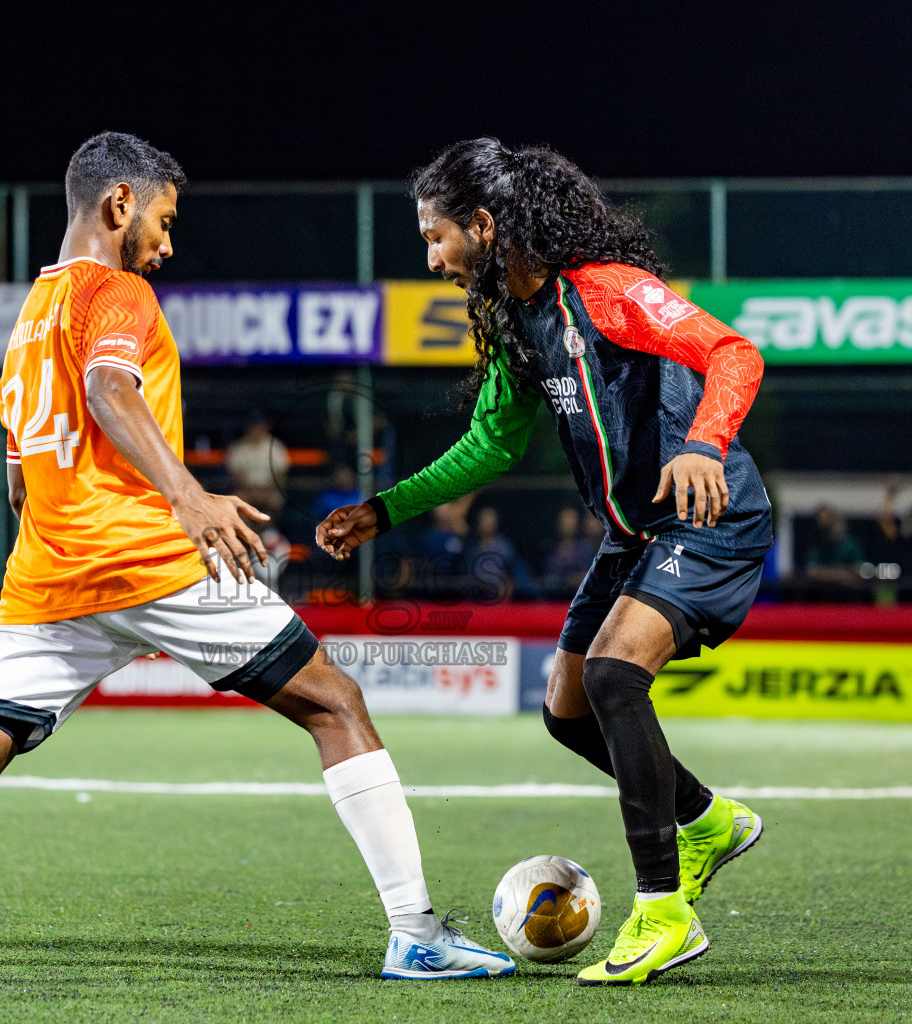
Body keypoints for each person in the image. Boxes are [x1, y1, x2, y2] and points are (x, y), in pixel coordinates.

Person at [0, 132, 514, 986]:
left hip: (48, 581)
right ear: (120, 205)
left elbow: (18, 486)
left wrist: (68, 544)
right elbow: (112, 390)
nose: (167, 242)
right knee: (335, 703)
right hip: (150, 561)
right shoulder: (118, 293)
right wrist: (187, 497)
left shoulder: (28, 324)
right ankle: (416, 932)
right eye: (163, 219)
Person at [318, 139, 771, 986]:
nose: (432, 259)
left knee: (611, 676)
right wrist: (386, 509)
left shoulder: (610, 293)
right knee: (567, 709)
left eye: (437, 237)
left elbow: (733, 354)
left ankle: (663, 911)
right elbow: (491, 443)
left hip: (709, 517)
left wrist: (706, 443)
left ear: (484, 227)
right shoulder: (521, 321)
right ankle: (705, 820)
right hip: (636, 531)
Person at [472, 507, 538, 601]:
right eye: (485, 520)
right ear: (479, 523)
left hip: (502, 598)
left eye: (491, 520)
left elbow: (516, 571)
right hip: (476, 598)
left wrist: (509, 583)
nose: (488, 523)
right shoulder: (472, 547)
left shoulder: (504, 546)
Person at [226, 415, 289, 515]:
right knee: (237, 500)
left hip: (270, 491)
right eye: (253, 427)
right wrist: (251, 491)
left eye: (260, 427)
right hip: (245, 490)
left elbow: (280, 473)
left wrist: (267, 490)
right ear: (247, 428)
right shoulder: (237, 448)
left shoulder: (276, 446)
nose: (256, 430)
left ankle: (268, 529)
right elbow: (235, 474)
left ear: (266, 428)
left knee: (276, 501)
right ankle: (244, 529)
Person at [541, 506, 597, 597]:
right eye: (565, 519)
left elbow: (593, 576)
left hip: (581, 599)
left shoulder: (585, 549)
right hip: (554, 600)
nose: (569, 523)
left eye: (572, 519)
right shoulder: (551, 551)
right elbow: (549, 580)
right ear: (558, 522)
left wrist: (571, 580)